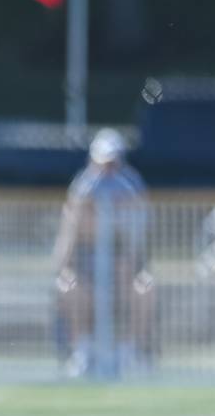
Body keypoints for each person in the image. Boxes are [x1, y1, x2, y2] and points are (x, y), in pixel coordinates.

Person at [52, 129, 154, 377]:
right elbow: (69, 238)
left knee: (144, 288)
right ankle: (82, 352)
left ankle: (130, 352)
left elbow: (136, 244)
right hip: (87, 268)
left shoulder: (131, 187)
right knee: (68, 286)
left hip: (122, 268)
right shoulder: (82, 187)